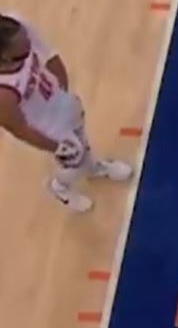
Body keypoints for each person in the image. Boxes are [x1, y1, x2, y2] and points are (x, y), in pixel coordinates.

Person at [0, 14, 132, 212]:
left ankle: (94, 167)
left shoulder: (17, 28)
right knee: (73, 161)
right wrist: (56, 146)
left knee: (82, 140)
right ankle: (58, 187)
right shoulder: (4, 92)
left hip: (62, 102)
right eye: (23, 44)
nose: (29, 41)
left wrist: (63, 92)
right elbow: (20, 129)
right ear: (6, 57)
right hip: (48, 127)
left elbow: (50, 54)